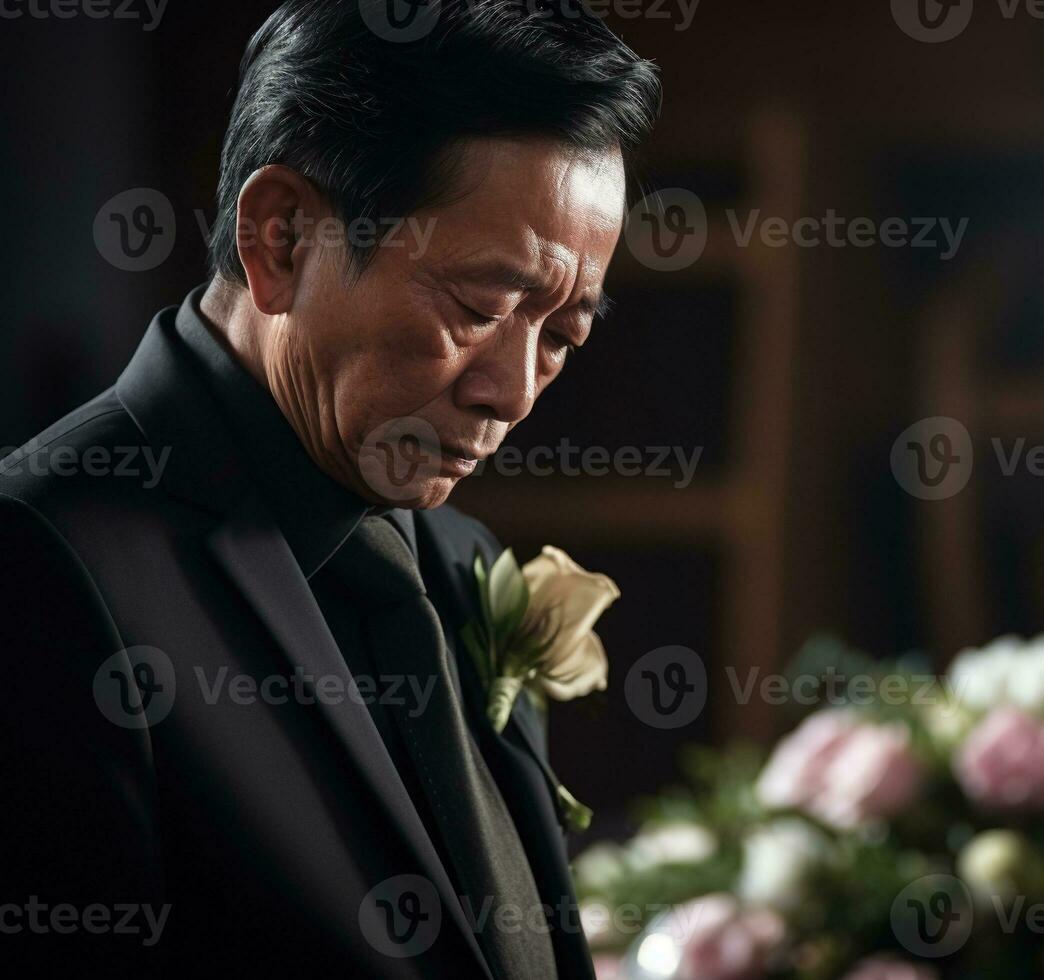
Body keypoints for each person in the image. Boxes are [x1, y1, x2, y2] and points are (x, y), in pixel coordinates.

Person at [0, 1, 658, 975]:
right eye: (481, 308)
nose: (513, 392)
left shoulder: (457, 557)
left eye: (561, 336)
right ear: (281, 238)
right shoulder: (43, 567)